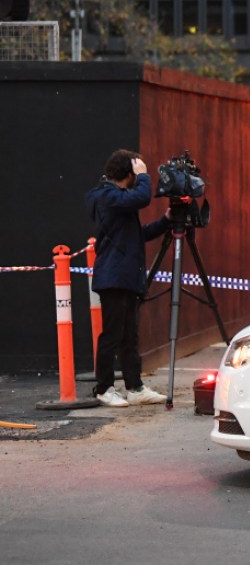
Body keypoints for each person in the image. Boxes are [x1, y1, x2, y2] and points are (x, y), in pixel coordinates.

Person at [84, 149, 172, 407]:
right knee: (111, 335)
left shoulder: (117, 200)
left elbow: (137, 234)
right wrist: (144, 176)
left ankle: (135, 388)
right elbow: (142, 198)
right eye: (136, 174)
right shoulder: (107, 196)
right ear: (129, 174)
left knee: (129, 337)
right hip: (113, 276)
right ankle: (104, 389)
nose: (140, 179)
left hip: (126, 277)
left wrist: (165, 221)